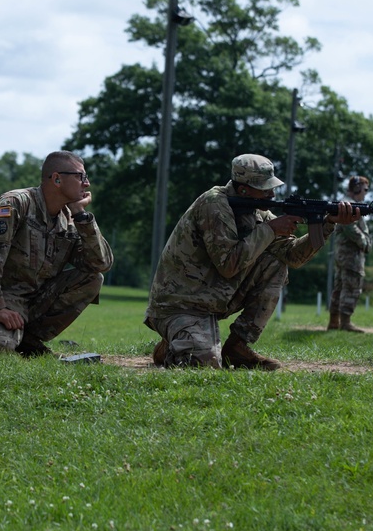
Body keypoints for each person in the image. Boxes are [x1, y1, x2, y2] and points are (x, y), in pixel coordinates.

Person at [145, 154, 361, 371]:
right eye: (265, 188)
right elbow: (228, 265)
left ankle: (237, 347)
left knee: (275, 263)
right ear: (243, 189)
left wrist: (328, 223)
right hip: (180, 303)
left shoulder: (257, 212)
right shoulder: (214, 204)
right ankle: (172, 346)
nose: (272, 194)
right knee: (204, 364)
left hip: (213, 298)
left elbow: (292, 257)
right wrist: (271, 229)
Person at [0, 151, 113, 356]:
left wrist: (82, 216)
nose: (86, 184)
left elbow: (100, 263)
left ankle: (28, 340)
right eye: (80, 177)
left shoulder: (69, 220)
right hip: (0, 299)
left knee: (92, 279)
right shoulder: (15, 204)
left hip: (36, 300)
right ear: (57, 179)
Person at [328, 175, 372, 332]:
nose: (366, 193)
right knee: (351, 287)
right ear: (358, 189)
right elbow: (350, 227)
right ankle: (345, 323)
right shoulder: (349, 205)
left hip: (342, 253)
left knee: (339, 288)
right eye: (365, 189)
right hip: (350, 254)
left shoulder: (345, 202)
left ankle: (334, 322)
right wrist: (365, 242)